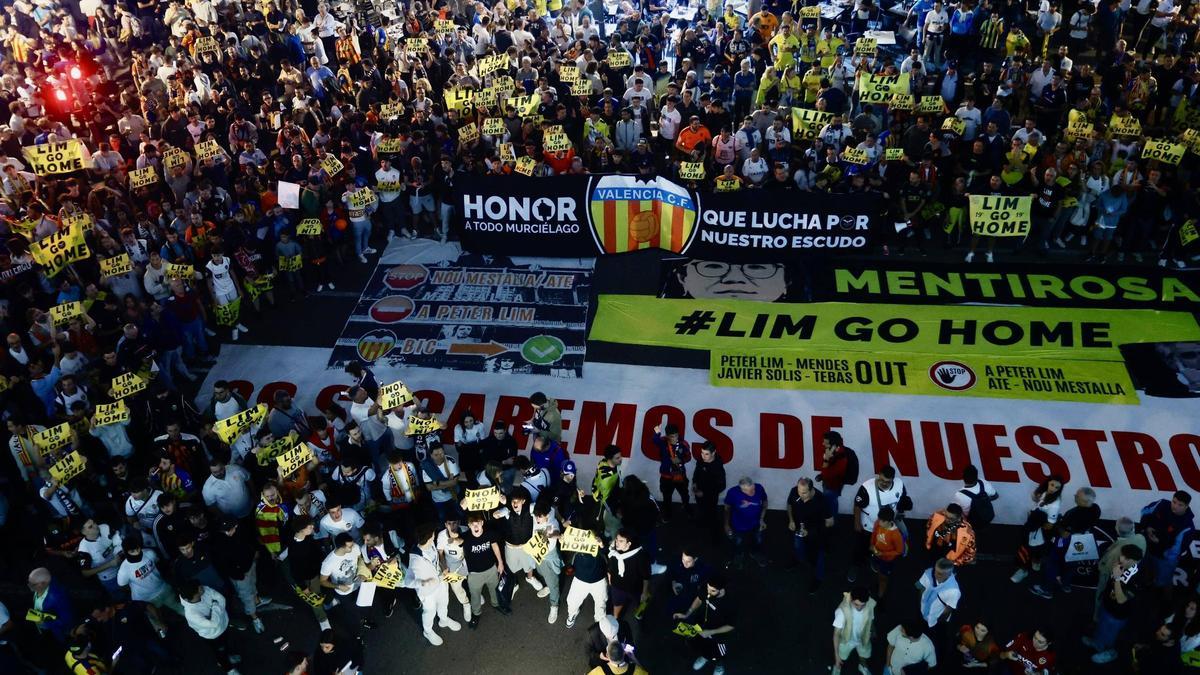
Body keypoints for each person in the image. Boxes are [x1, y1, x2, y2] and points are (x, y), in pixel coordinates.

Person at [1087, 544, 1145, 664]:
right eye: (1122, 555)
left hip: (1118, 614)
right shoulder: (1121, 564)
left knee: (1111, 636)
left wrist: (1118, 578)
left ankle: (1110, 652)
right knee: (1100, 627)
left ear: (1135, 561)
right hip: (1107, 605)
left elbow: (1121, 599)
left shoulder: (1139, 578)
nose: (1122, 559)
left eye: (1126, 558)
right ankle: (1097, 643)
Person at [851, 466, 910, 583]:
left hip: (887, 526)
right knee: (861, 546)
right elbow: (857, 506)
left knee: (882, 546)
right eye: (882, 480)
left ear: (893, 479)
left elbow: (903, 499)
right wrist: (857, 523)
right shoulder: (867, 488)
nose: (884, 483)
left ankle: (875, 559)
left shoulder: (899, 484)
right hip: (868, 525)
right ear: (878, 475)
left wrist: (901, 512)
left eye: (888, 481)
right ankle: (856, 565)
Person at [409, 523, 462, 645]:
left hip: (441, 581)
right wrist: (423, 583)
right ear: (430, 536)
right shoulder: (415, 559)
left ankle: (443, 620)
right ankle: (427, 631)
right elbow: (408, 580)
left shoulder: (430, 544)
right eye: (433, 533)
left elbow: (436, 560)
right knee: (429, 612)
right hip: (428, 592)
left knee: (444, 602)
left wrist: (442, 568)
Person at [673, 574, 735, 675]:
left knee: (719, 653)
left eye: (713, 591)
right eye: (708, 588)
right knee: (700, 645)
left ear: (722, 590)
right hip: (702, 625)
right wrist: (687, 614)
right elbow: (699, 598)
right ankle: (705, 657)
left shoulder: (730, 604)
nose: (708, 593)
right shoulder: (707, 588)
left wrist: (711, 632)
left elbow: (731, 625)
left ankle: (719, 664)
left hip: (719, 635)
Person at [178, 581, 241, 675]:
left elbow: (221, 598)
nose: (202, 589)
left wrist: (214, 613)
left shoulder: (203, 589)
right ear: (190, 598)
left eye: (200, 587)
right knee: (220, 652)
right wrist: (215, 605)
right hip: (213, 636)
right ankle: (229, 669)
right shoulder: (191, 614)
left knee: (225, 645)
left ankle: (228, 657)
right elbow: (214, 624)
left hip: (223, 624)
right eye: (198, 590)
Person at [787, 476, 831, 592]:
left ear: (812, 490)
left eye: (804, 493)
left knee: (818, 558)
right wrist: (791, 520)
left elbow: (830, 522)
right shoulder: (794, 491)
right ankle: (798, 560)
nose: (801, 495)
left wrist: (811, 531)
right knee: (797, 547)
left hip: (816, 535)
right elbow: (789, 504)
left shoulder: (822, 500)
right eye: (799, 491)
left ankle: (818, 578)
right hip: (798, 530)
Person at [724, 477, 768, 569]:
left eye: (753, 489)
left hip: (756, 523)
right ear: (742, 489)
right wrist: (726, 524)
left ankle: (754, 553)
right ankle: (739, 555)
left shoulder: (759, 488)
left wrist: (762, 519)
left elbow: (764, 500)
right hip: (739, 525)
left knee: (758, 540)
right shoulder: (733, 493)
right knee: (738, 542)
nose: (753, 492)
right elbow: (727, 507)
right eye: (749, 491)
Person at [832, 586, 876, 675]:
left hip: (863, 638)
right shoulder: (842, 611)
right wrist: (836, 656)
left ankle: (862, 665)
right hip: (846, 641)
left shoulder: (869, 604)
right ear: (851, 598)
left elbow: (870, 619)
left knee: (863, 655)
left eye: (862, 605)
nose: (859, 608)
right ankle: (837, 666)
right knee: (841, 657)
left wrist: (872, 629)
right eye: (856, 604)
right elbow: (836, 634)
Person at [652, 423, 691, 518]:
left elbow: (689, 457)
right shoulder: (663, 442)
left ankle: (687, 509)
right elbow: (655, 440)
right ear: (667, 436)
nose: (675, 438)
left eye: (676, 436)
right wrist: (657, 432)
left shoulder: (683, 443)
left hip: (680, 475)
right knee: (667, 497)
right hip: (666, 477)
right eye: (672, 437)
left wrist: (681, 460)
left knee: (685, 495)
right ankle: (667, 515)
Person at [693, 442, 728, 545]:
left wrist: (705, 493)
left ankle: (715, 540)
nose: (703, 456)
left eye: (706, 454)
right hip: (699, 494)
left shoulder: (718, 468)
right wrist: (695, 484)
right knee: (701, 511)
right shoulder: (700, 460)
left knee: (712, 516)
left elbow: (722, 486)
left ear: (714, 453)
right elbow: (696, 473)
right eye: (702, 453)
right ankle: (701, 527)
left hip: (711, 498)